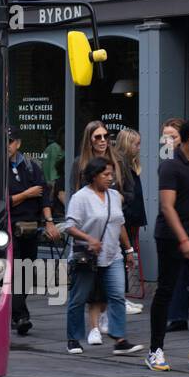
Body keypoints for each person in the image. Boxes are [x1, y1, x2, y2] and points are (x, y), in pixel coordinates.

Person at [146, 116, 189, 372]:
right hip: (170, 236)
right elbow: (166, 206)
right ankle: (155, 351)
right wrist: (183, 239)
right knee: (165, 291)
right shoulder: (170, 167)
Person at [61, 156, 142, 356]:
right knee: (79, 298)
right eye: (105, 174)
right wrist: (89, 239)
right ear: (94, 176)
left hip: (113, 255)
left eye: (111, 174)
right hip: (87, 256)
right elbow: (69, 226)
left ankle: (120, 339)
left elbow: (119, 223)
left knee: (116, 295)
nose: (110, 178)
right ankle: (73, 339)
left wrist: (129, 249)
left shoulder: (114, 196)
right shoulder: (81, 197)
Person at [64, 121, 114, 345]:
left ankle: (104, 321)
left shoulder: (115, 163)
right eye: (97, 137)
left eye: (105, 136)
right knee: (81, 291)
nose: (103, 141)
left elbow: (125, 190)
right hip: (85, 236)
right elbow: (73, 198)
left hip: (110, 232)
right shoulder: (80, 167)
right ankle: (77, 336)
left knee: (108, 286)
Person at [8, 128, 53, 335]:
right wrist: (26, 194)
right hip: (10, 226)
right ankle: (21, 316)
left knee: (27, 271)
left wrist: (49, 221)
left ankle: (13, 311)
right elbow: (4, 202)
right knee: (17, 269)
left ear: (18, 143)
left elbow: (43, 196)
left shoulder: (31, 167)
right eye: (4, 141)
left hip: (31, 227)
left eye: (10, 142)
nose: (7, 145)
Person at [160, 117, 189, 332]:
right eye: (164, 137)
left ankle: (180, 313)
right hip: (171, 221)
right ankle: (177, 314)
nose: (167, 141)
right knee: (174, 271)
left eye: (172, 137)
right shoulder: (167, 161)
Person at [112, 128, 146, 316]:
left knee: (125, 256)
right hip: (125, 216)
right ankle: (119, 298)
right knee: (122, 255)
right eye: (136, 144)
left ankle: (121, 297)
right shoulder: (121, 164)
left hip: (131, 216)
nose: (138, 148)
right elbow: (123, 191)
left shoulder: (130, 164)